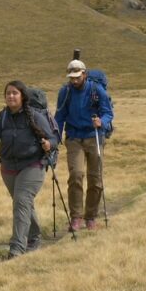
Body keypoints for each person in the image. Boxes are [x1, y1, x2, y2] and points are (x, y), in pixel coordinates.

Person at [0, 80, 58, 258]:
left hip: (33, 165)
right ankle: (34, 236)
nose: (11, 96)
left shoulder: (36, 117)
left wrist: (48, 144)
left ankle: (17, 248)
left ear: (23, 96)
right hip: (8, 168)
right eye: (8, 93)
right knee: (23, 203)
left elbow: (53, 139)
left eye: (15, 93)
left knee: (21, 201)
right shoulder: (1, 118)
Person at [54, 59, 113, 231]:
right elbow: (59, 117)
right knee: (76, 175)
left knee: (95, 179)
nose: (74, 81)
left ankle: (91, 217)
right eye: (71, 77)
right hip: (74, 138)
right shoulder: (65, 92)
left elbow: (108, 112)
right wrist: (55, 138)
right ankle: (76, 217)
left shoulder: (97, 90)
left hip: (94, 136)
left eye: (77, 77)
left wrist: (101, 121)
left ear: (84, 75)